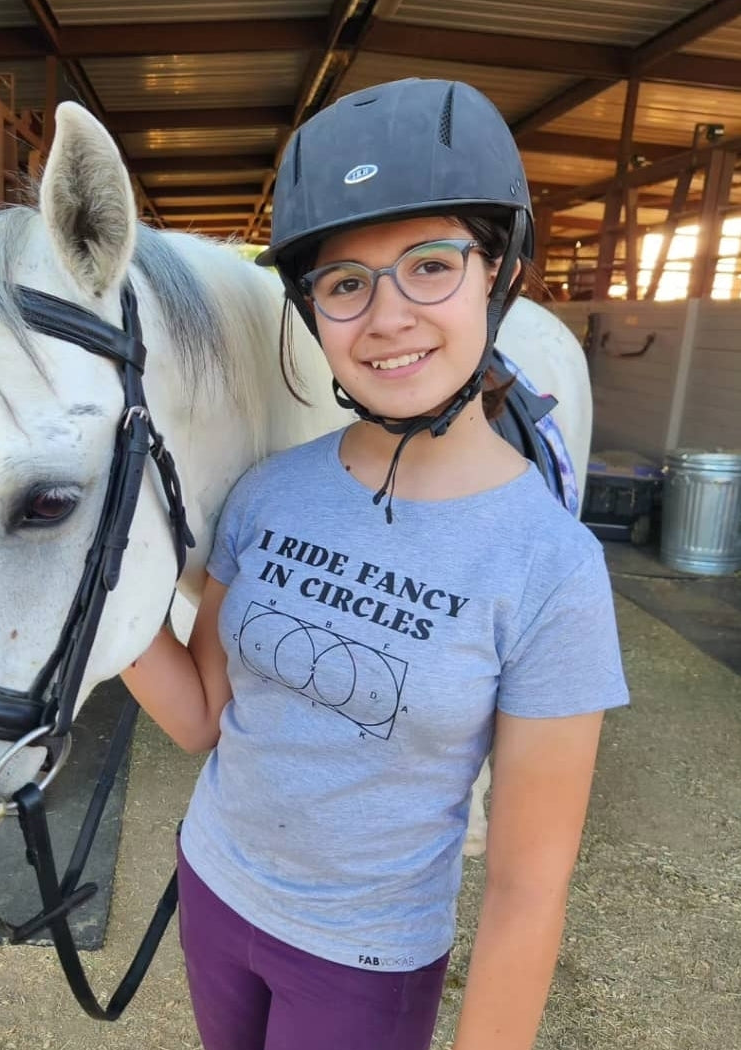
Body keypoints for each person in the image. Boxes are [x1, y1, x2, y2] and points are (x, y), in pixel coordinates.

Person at [121, 78, 629, 1050]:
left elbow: (526, 888)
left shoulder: (549, 566)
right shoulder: (268, 494)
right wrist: (94, 587)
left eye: (428, 265)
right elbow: (201, 720)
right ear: (314, 314)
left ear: (496, 270)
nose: (386, 317)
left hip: (363, 961)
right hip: (215, 892)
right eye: (345, 283)